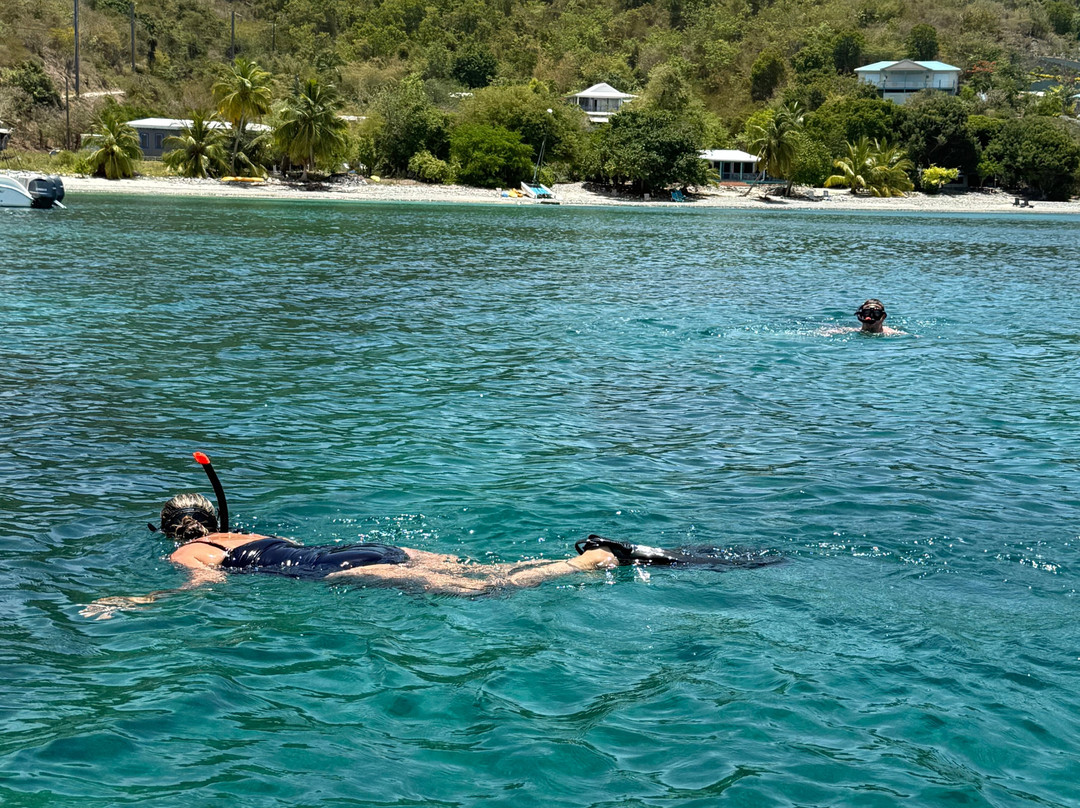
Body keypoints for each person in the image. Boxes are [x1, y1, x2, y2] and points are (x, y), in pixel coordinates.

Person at [80, 492, 622, 619]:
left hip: (327, 568)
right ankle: (571, 556)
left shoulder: (188, 555)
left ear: (172, 532)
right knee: (475, 569)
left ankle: (580, 564)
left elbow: (209, 586)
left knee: (477, 591)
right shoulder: (245, 530)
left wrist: (141, 599)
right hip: (355, 548)